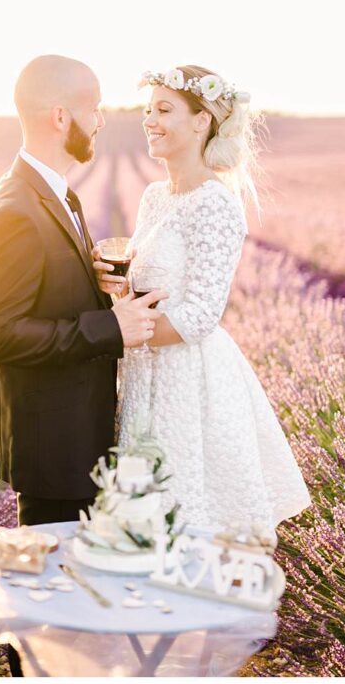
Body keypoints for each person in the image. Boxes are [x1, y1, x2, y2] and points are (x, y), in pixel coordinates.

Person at [0, 54, 165, 675]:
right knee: (45, 601)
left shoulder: (55, 193)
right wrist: (110, 326)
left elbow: (38, 292)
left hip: (66, 424)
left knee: (61, 582)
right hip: (48, 434)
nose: (102, 120)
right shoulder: (16, 209)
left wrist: (92, 282)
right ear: (60, 116)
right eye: (93, 107)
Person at [95, 65, 311, 542]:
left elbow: (199, 314)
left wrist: (123, 329)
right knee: (141, 523)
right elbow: (148, 289)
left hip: (187, 380)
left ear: (201, 121)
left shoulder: (215, 203)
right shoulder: (154, 197)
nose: (149, 120)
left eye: (164, 109)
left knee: (185, 519)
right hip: (143, 373)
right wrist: (116, 291)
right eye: (147, 110)